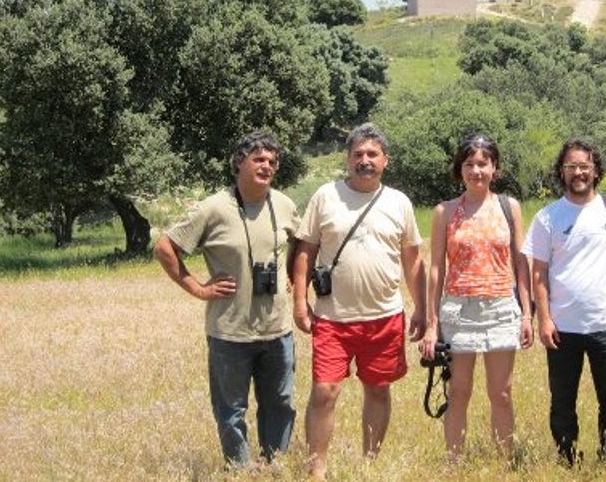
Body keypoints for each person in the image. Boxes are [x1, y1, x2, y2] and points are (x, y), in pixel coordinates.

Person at [154, 131, 300, 469]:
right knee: (231, 409)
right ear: (239, 163)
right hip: (229, 331)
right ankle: (239, 468)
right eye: (259, 159)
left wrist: (293, 274)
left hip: (277, 329)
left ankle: (274, 463)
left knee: (280, 401)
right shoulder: (213, 207)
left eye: (272, 162)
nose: (267, 166)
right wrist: (198, 288)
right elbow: (164, 247)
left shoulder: (283, 204)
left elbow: (301, 242)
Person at [292, 123, 426, 480]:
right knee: (324, 391)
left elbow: (412, 260)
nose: (364, 161)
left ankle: (370, 464)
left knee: (378, 391)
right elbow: (305, 251)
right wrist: (299, 302)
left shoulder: (399, 202)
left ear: (386, 160)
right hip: (332, 318)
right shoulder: (325, 196)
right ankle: (316, 468)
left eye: (372, 154)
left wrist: (422, 308)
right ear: (347, 159)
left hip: (384, 316)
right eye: (358, 155)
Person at [421, 133, 534, 462]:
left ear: (494, 168)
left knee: (501, 393)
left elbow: (520, 264)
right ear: (460, 170)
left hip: (500, 307)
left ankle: (504, 462)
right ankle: (454, 463)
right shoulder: (445, 211)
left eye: (483, 163)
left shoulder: (509, 207)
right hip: (458, 310)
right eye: (469, 164)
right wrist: (432, 325)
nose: (476, 171)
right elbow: (435, 269)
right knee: (459, 392)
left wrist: (527, 314)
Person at [523, 138, 606, 466]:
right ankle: (567, 457)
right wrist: (544, 319)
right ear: (561, 171)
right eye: (571, 166)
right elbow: (538, 273)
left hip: (605, 325)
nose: (578, 172)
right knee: (562, 401)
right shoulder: (548, 217)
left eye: (585, 166)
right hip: (561, 328)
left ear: (596, 170)